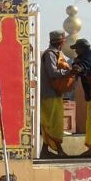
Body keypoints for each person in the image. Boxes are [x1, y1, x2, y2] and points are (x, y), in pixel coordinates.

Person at [39, 30, 70, 159]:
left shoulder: (56, 53)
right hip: (49, 93)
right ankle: (59, 150)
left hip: (54, 93)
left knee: (51, 123)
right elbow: (53, 73)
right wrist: (68, 73)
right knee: (54, 123)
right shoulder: (50, 54)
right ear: (61, 42)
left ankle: (45, 150)